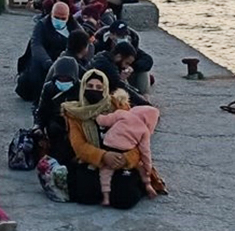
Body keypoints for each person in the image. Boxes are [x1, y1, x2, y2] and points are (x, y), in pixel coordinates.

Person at [61, 70, 165, 208]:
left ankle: (140, 184)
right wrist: (103, 156)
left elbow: (136, 141)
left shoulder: (118, 106)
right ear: (83, 88)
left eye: (99, 88)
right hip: (94, 160)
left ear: (105, 90)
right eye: (90, 86)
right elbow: (79, 146)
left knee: (125, 199)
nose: (94, 90)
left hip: (123, 159)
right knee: (85, 195)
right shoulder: (75, 113)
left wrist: (126, 158)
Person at [96, 91, 159, 206]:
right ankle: (148, 184)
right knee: (142, 168)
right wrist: (148, 166)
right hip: (124, 150)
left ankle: (106, 197)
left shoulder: (123, 113)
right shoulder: (144, 130)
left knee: (105, 172)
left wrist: (97, 117)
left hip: (108, 146)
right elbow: (145, 151)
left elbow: (104, 120)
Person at [16, 2, 83, 102]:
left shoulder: (74, 27)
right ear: (51, 14)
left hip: (66, 59)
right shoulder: (42, 25)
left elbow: (83, 44)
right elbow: (36, 46)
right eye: (56, 17)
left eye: (63, 19)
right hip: (44, 61)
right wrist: (47, 62)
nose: (59, 21)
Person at [33, 56, 80, 165]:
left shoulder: (81, 89)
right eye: (60, 78)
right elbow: (42, 111)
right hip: (55, 128)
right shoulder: (49, 88)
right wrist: (38, 127)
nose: (63, 81)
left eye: (67, 79)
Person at [90, 40, 151, 107]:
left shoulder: (104, 58)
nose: (126, 67)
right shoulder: (107, 66)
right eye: (126, 63)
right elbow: (121, 86)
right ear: (119, 56)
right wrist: (145, 103)